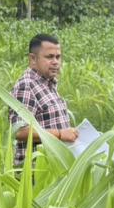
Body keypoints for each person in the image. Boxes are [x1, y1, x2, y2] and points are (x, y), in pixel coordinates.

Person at [9, 33, 78, 165]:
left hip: (52, 169)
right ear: (33, 59)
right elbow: (20, 131)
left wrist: (69, 133)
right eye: (49, 57)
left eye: (58, 57)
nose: (55, 62)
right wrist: (60, 134)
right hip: (35, 174)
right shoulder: (27, 86)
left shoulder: (48, 84)